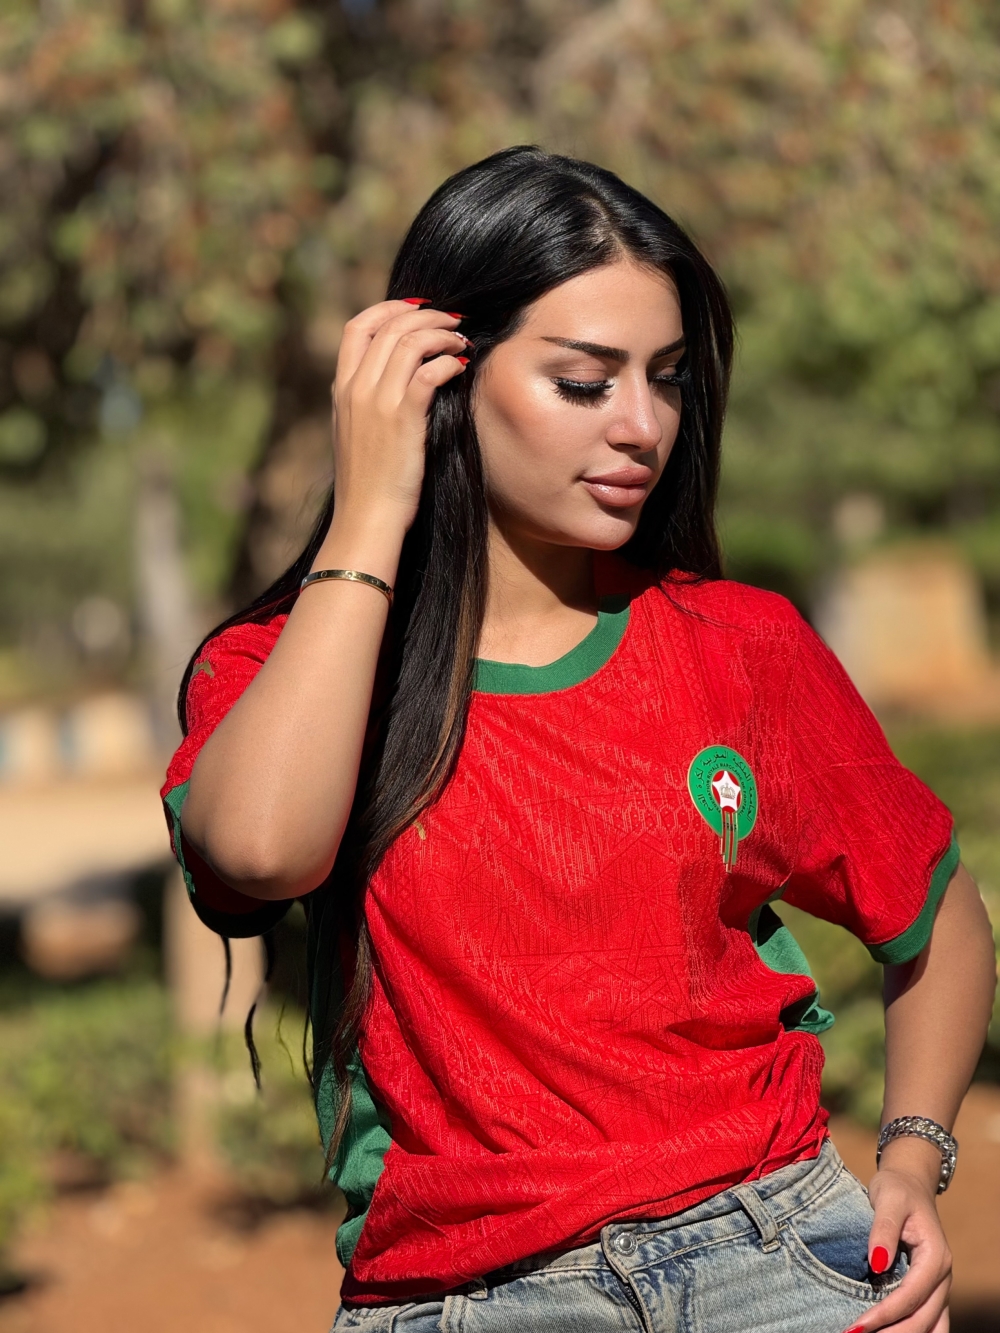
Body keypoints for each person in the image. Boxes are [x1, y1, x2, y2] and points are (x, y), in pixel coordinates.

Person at [161, 147, 996, 1333]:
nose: (643, 426)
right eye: (584, 381)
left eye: (667, 378)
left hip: (775, 1261)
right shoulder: (282, 673)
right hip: (463, 1298)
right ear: (437, 376)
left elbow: (935, 912)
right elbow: (256, 852)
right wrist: (372, 503)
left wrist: (912, 1157)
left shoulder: (738, 645)